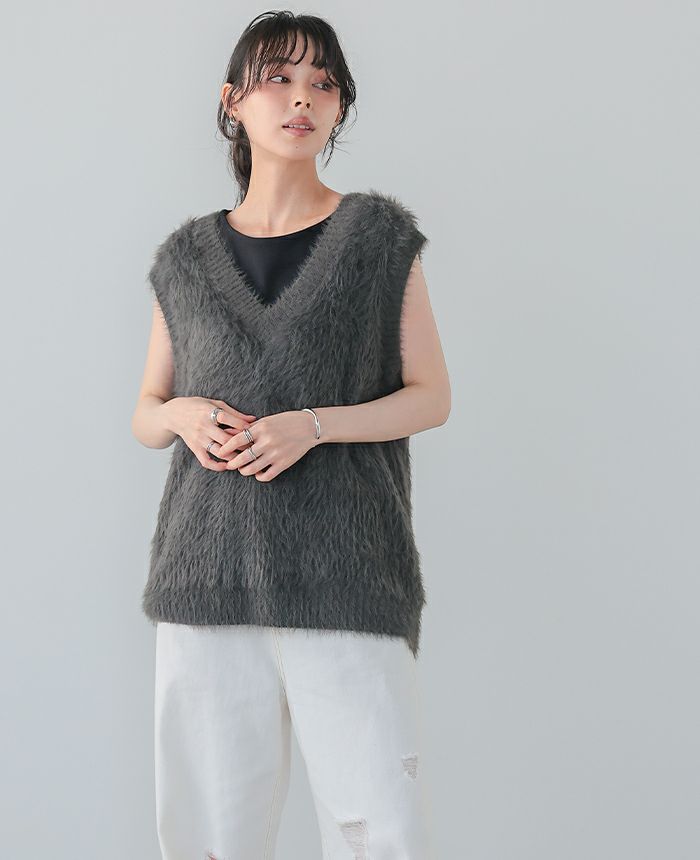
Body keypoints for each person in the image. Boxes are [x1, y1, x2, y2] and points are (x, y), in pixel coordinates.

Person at [131, 10, 451, 860]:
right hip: (206, 583)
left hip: (349, 579)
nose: (302, 98)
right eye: (278, 78)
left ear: (340, 107)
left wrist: (314, 427)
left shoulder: (380, 242)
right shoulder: (185, 260)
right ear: (232, 100)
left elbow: (431, 397)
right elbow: (147, 411)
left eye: (323, 83)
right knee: (208, 837)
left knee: (380, 830)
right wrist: (181, 416)